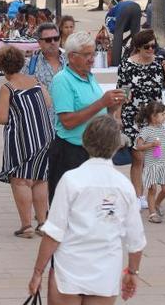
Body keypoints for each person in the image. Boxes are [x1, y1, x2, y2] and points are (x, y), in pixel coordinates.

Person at [28, 115, 145, 304]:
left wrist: (37, 272)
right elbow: (135, 239)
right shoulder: (124, 186)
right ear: (117, 146)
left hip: (69, 267)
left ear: (85, 142)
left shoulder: (71, 179)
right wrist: (133, 272)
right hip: (105, 272)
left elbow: (54, 232)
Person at [48, 31, 125, 202]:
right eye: (87, 54)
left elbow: (99, 111)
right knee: (68, 204)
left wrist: (113, 105)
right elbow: (67, 121)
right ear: (72, 57)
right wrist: (101, 103)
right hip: (70, 152)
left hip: (92, 151)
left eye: (93, 53)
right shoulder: (63, 80)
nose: (92, 58)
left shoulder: (89, 76)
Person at [0, 46, 52, 238]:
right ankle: (43, 223)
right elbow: (48, 103)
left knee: (21, 181)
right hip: (44, 136)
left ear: (2, 67)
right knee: (40, 179)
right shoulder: (35, 81)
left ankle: (26, 225)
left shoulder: (8, 88)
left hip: (21, 140)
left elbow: (1, 117)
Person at [116, 29, 165, 207]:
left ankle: (150, 193)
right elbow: (123, 91)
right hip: (133, 115)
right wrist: (118, 115)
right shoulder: (127, 65)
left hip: (154, 118)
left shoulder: (159, 63)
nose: (151, 50)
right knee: (138, 156)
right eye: (147, 47)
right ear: (138, 48)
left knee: (154, 157)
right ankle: (138, 195)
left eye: (153, 46)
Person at [133, 101, 165, 223]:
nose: (164, 116)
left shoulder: (163, 130)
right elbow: (138, 146)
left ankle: (157, 203)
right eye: (162, 115)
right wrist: (151, 145)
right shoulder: (146, 131)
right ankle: (152, 213)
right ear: (153, 116)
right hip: (151, 165)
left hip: (162, 164)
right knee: (152, 189)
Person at [23, 23, 68, 92]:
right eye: (48, 40)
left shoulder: (70, 61)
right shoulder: (29, 65)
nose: (53, 42)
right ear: (39, 42)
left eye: (56, 38)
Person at [106, 0, 143, 67]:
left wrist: (118, 39)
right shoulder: (117, 8)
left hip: (124, 10)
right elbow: (131, 31)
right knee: (136, 37)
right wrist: (127, 38)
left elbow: (115, 32)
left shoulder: (108, 16)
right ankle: (136, 61)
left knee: (118, 37)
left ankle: (115, 63)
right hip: (137, 7)